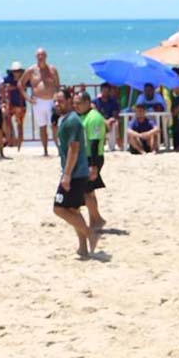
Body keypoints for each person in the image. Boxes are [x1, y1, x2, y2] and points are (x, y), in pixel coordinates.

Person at [52, 88, 93, 258]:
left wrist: (67, 175)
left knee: (59, 209)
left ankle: (91, 234)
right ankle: (83, 247)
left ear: (69, 101)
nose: (57, 104)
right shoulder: (65, 120)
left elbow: (73, 150)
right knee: (73, 210)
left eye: (60, 101)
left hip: (75, 174)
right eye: (55, 101)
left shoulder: (72, 121)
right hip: (76, 172)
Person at [17, 48, 61, 156]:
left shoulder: (52, 70)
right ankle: (45, 150)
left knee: (54, 126)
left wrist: (57, 99)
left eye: (42, 55)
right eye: (38, 55)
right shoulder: (31, 70)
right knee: (42, 126)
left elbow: (57, 85)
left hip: (51, 100)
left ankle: (59, 149)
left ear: (46, 56)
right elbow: (20, 83)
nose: (40, 57)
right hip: (38, 102)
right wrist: (27, 98)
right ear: (36, 57)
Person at [75, 91, 107, 237]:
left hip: (93, 158)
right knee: (89, 191)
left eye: (79, 103)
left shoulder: (94, 118)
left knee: (85, 191)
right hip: (85, 157)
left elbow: (94, 142)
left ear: (87, 102)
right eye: (74, 103)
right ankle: (95, 220)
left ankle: (97, 219)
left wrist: (93, 166)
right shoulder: (83, 116)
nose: (76, 106)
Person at [1, 61, 27, 150]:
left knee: (20, 125)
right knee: (4, 119)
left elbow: (32, 84)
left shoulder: (25, 79)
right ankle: (10, 141)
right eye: (15, 71)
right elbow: (0, 83)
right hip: (11, 104)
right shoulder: (8, 78)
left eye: (18, 71)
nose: (16, 73)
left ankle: (19, 145)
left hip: (21, 104)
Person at [94, 83, 121, 151]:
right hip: (100, 120)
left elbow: (115, 114)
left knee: (115, 124)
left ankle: (113, 145)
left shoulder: (113, 101)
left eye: (107, 91)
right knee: (96, 123)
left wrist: (110, 120)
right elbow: (95, 112)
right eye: (103, 91)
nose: (105, 93)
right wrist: (105, 121)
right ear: (101, 91)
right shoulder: (96, 101)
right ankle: (98, 145)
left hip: (110, 121)